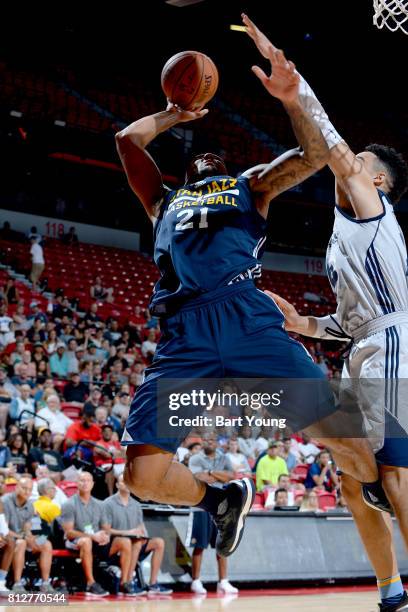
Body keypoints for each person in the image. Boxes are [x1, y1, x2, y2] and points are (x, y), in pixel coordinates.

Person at [116, 38, 384, 561]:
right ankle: (217, 498)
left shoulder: (249, 186)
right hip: (184, 337)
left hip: (247, 319)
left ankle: (387, 496)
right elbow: (128, 140)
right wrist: (176, 113)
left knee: (343, 436)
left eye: (216, 156)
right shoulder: (161, 203)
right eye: (200, 155)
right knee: (142, 477)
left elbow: (312, 155)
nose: (207, 156)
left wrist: (292, 99)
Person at [243, 13, 408, 611]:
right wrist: (305, 325)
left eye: (362, 162)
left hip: (391, 351)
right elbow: (352, 319)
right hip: (367, 347)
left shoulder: (371, 207)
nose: (350, 164)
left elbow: (333, 146)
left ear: (380, 182)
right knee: (354, 476)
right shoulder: (349, 234)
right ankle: (390, 590)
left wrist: (295, 93)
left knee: (392, 474)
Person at [60, 471, 130, 596]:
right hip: (74, 542)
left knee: (124, 542)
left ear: (93, 484)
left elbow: (105, 527)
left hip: (96, 541)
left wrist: (105, 536)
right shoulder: (68, 504)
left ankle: (123, 582)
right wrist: (93, 536)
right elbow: (69, 533)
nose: (85, 483)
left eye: (88, 480)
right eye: (82, 480)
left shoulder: (100, 504)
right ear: (77, 484)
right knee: (86, 542)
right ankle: (90, 583)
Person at [101, 474, 171, 595]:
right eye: (123, 481)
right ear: (117, 485)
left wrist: (143, 535)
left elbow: (140, 527)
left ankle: (153, 583)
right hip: (115, 543)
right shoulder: (108, 503)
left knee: (159, 542)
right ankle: (127, 582)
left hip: (135, 541)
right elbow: (106, 530)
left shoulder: (136, 505)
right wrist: (128, 533)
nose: (127, 484)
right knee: (133, 543)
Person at [188, 436, 238, 595]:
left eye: (213, 440)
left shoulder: (225, 457)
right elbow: (198, 477)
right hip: (200, 506)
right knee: (199, 545)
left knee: (222, 546)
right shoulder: (195, 458)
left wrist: (210, 473)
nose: (210, 442)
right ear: (202, 442)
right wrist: (217, 475)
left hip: (221, 508)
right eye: (207, 440)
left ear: (217, 443)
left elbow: (231, 476)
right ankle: (195, 581)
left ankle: (223, 581)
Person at [2, 477, 55, 593]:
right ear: (16, 488)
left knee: (46, 543)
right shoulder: (5, 501)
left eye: (29, 490)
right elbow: (3, 529)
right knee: (21, 543)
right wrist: (24, 537)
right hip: (8, 539)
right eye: (24, 488)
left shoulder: (31, 505)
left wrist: (32, 539)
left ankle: (45, 583)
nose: (27, 492)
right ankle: (17, 583)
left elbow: (28, 528)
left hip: (23, 537)